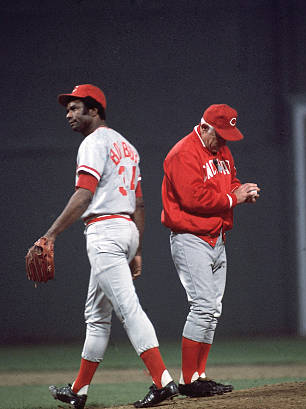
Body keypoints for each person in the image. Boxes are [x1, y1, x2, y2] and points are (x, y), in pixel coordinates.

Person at [41, 84, 179, 409]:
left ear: (95, 110)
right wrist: (137, 248)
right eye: (68, 109)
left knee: (128, 309)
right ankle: (78, 391)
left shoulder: (93, 143)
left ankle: (163, 382)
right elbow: (140, 204)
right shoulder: (128, 147)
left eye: (75, 108)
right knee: (96, 314)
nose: (69, 114)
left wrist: (51, 234)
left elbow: (84, 193)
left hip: (105, 232)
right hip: (126, 229)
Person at [161, 104, 261, 397]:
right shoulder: (182, 153)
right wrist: (233, 199)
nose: (224, 141)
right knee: (203, 306)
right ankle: (188, 380)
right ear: (204, 127)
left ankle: (199, 375)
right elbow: (194, 199)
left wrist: (243, 191)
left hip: (217, 236)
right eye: (220, 134)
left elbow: (231, 182)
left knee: (213, 310)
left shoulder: (222, 150)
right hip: (190, 237)